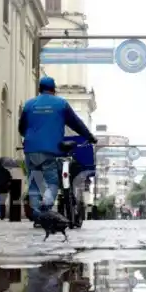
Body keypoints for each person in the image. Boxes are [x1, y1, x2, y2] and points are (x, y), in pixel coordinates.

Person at [18, 76, 96, 221]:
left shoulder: (29, 105)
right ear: (53, 90)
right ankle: (46, 205)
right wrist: (89, 136)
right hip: (51, 151)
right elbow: (76, 123)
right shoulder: (61, 104)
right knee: (52, 182)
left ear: (39, 89)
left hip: (30, 150)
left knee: (34, 182)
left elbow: (21, 127)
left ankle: (36, 214)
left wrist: (30, 136)